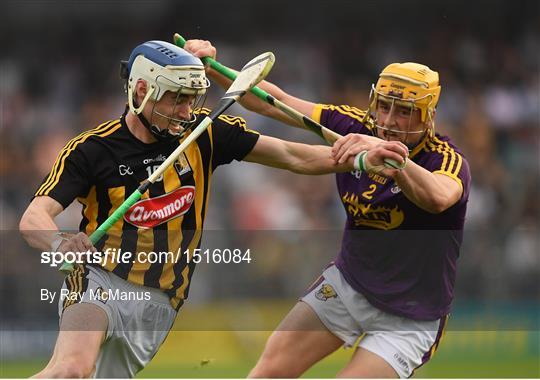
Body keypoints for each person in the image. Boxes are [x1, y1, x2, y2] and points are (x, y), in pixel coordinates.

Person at [16, 40, 394, 378]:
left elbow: (293, 155)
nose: (185, 110)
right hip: (101, 281)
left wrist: (358, 160)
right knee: (70, 371)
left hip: (161, 301)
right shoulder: (92, 150)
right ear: (142, 90)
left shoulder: (205, 132)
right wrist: (59, 241)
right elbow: (33, 218)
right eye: (176, 98)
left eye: (190, 99)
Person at [185, 40, 470, 378]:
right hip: (350, 285)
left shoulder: (446, 160)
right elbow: (275, 103)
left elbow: (437, 197)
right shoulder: (352, 126)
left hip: (411, 316)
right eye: (384, 107)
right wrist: (214, 69)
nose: (390, 121)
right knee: (269, 370)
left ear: (428, 116)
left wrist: (391, 157)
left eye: (404, 111)